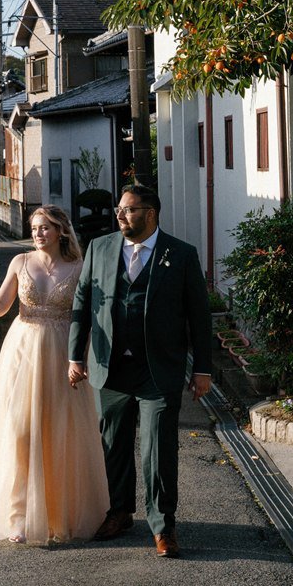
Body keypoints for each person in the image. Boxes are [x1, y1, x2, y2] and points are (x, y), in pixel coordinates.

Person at [68, 183, 213, 558]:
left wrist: (203, 369)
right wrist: (75, 356)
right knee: (113, 445)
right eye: (119, 208)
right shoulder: (99, 248)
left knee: (158, 448)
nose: (120, 215)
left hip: (158, 370)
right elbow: (83, 302)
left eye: (129, 210)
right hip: (110, 367)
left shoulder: (181, 254)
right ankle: (119, 513)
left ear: (150, 214)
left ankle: (164, 527)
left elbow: (199, 316)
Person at [0, 206, 111, 544]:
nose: (38, 233)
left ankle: (60, 514)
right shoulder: (20, 263)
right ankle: (19, 516)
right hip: (22, 351)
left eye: (45, 227)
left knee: (60, 431)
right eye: (34, 228)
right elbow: (1, 307)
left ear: (60, 230)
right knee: (20, 429)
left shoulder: (78, 267)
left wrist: (82, 357)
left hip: (63, 353)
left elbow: (86, 315)